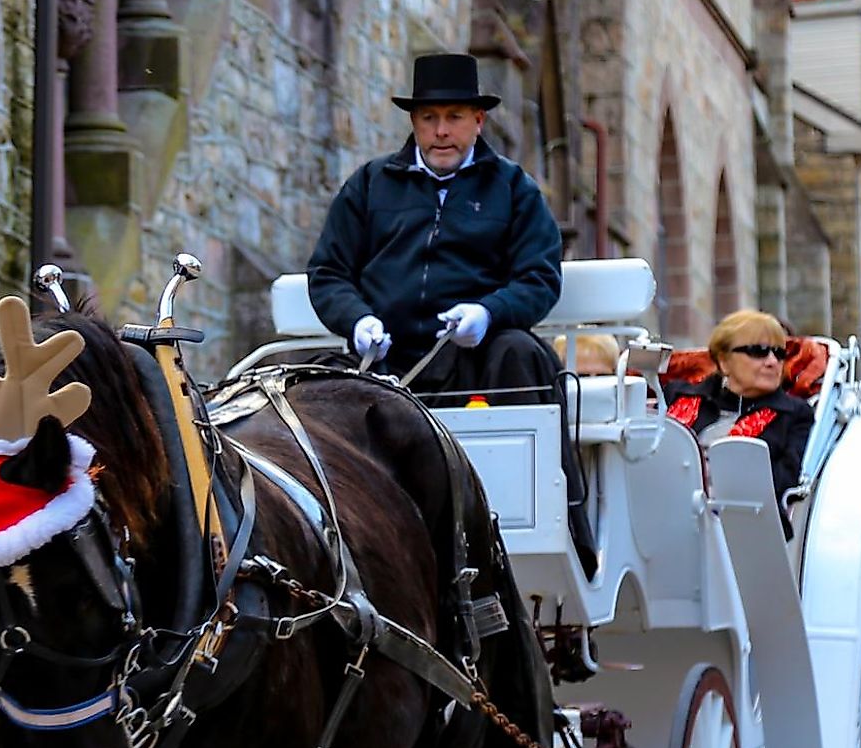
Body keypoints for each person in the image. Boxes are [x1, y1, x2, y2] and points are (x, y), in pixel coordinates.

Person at [306, 50, 593, 567]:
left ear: (478, 122)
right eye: (429, 118)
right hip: (386, 358)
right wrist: (356, 320)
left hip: (476, 356)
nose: (441, 131)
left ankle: (538, 524)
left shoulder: (513, 189)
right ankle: (329, 530)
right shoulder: (370, 185)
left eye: (455, 117)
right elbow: (328, 274)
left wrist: (489, 312)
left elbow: (539, 277)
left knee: (519, 352)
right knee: (304, 385)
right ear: (414, 122)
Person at [657, 309, 817, 500]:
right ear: (724, 361)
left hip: (743, 520)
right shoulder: (677, 395)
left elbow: (782, 483)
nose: (772, 362)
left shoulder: (795, 414)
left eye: (780, 353)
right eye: (758, 351)